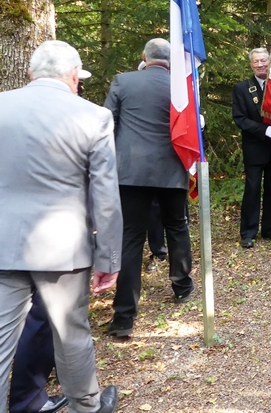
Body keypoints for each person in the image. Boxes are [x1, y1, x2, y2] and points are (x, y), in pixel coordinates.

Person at [0, 40, 120, 413]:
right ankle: (86, 406)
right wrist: (109, 258)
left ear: (30, 73)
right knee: (71, 337)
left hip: (3, 242)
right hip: (64, 248)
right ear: (73, 76)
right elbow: (105, 195)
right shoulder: (94, 116)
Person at [103, 38, 194, 338]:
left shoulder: (123, 82)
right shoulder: (181, 88)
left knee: (131, 237)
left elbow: (107, 124)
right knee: (177, 226)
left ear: (144, 56)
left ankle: (124, 316)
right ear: (170, 61)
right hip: (172, 168)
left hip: (131, 172)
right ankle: (182, 286)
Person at [232, 48, 271, 248]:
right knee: (253, 189)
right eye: (256, 61)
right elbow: (240, 119)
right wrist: (264, 130)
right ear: (251, 65)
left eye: (264, 60)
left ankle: (270, 228)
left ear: (270, 62)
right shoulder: (241, 88)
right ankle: (248, 232)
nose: (260, 64)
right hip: (255, 147)